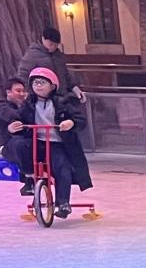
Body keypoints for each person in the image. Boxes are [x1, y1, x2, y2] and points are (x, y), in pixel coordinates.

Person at [13, 67, 92, 218]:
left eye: (42, 82)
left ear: (52, 86)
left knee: (62, 166)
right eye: (35, 83)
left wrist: (71, 122)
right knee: (20, 146)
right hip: (36, 141)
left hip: (56, 143)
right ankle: (29, 178)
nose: (38, 85)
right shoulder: (28, 103)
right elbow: (18, 118)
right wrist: (14, 125)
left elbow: (80, 119)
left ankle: (63, 202)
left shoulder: (63, 102)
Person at [0, 78, 36, 194]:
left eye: (23, 91)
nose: (22, 94)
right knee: (20, 143)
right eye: (18, 91)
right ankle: (29, 178)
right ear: (8, 92)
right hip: (9, 146)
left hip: (28, 143)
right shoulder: (1, 106)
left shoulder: (27, 106)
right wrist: (12, 126)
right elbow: (12, 115)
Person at [18, 27, 85, 101]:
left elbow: (65, 74)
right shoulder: (32, 55)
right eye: (51, 44)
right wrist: (31, 93)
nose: (53, 47)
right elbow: (23, 75)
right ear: (43, 39)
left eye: (56, 45)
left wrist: (75, 88)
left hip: (61, 95)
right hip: (43, 97)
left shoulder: (58, 55)